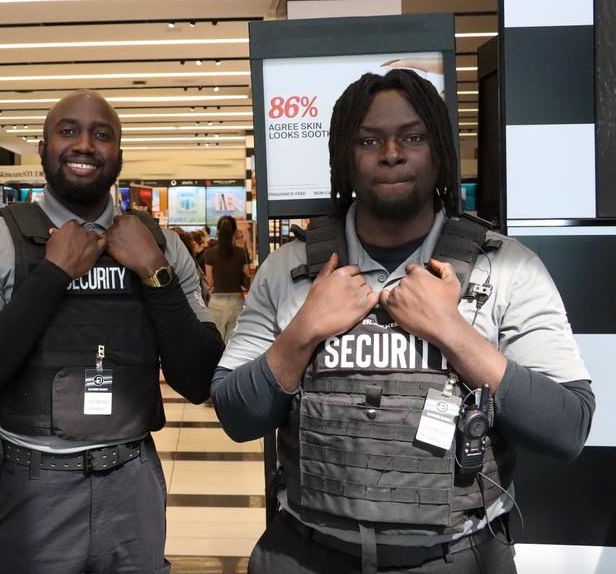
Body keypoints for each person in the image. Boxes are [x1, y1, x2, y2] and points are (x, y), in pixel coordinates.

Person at [211, 69, 595, 574]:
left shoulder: (505, 267)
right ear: (345, 160)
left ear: (439, 152)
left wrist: (452, 332)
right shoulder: (291, 270)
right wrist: (304, 330)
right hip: (305, 553)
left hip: (457, 558)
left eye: (412, 137)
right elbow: (236, 416)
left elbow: (567, 427)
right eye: (369, 140)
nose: (391, 153)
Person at [0, 89, 226, 574]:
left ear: (119, 152)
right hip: (28, 485)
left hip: (131, 485)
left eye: (102, 134)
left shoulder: (163, 247)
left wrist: (155, 271)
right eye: (68, 131)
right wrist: (51, 275)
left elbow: (200, 380)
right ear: (44, 149)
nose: (85, 144)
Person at [203, 216, 251, 342]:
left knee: (216, 342)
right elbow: (246, 281)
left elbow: (210, 282)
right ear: (234, 232)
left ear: (218, 231)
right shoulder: (242, 252)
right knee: (232, 344)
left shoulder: (209, 253)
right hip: (237, 301)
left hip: (217, 302)